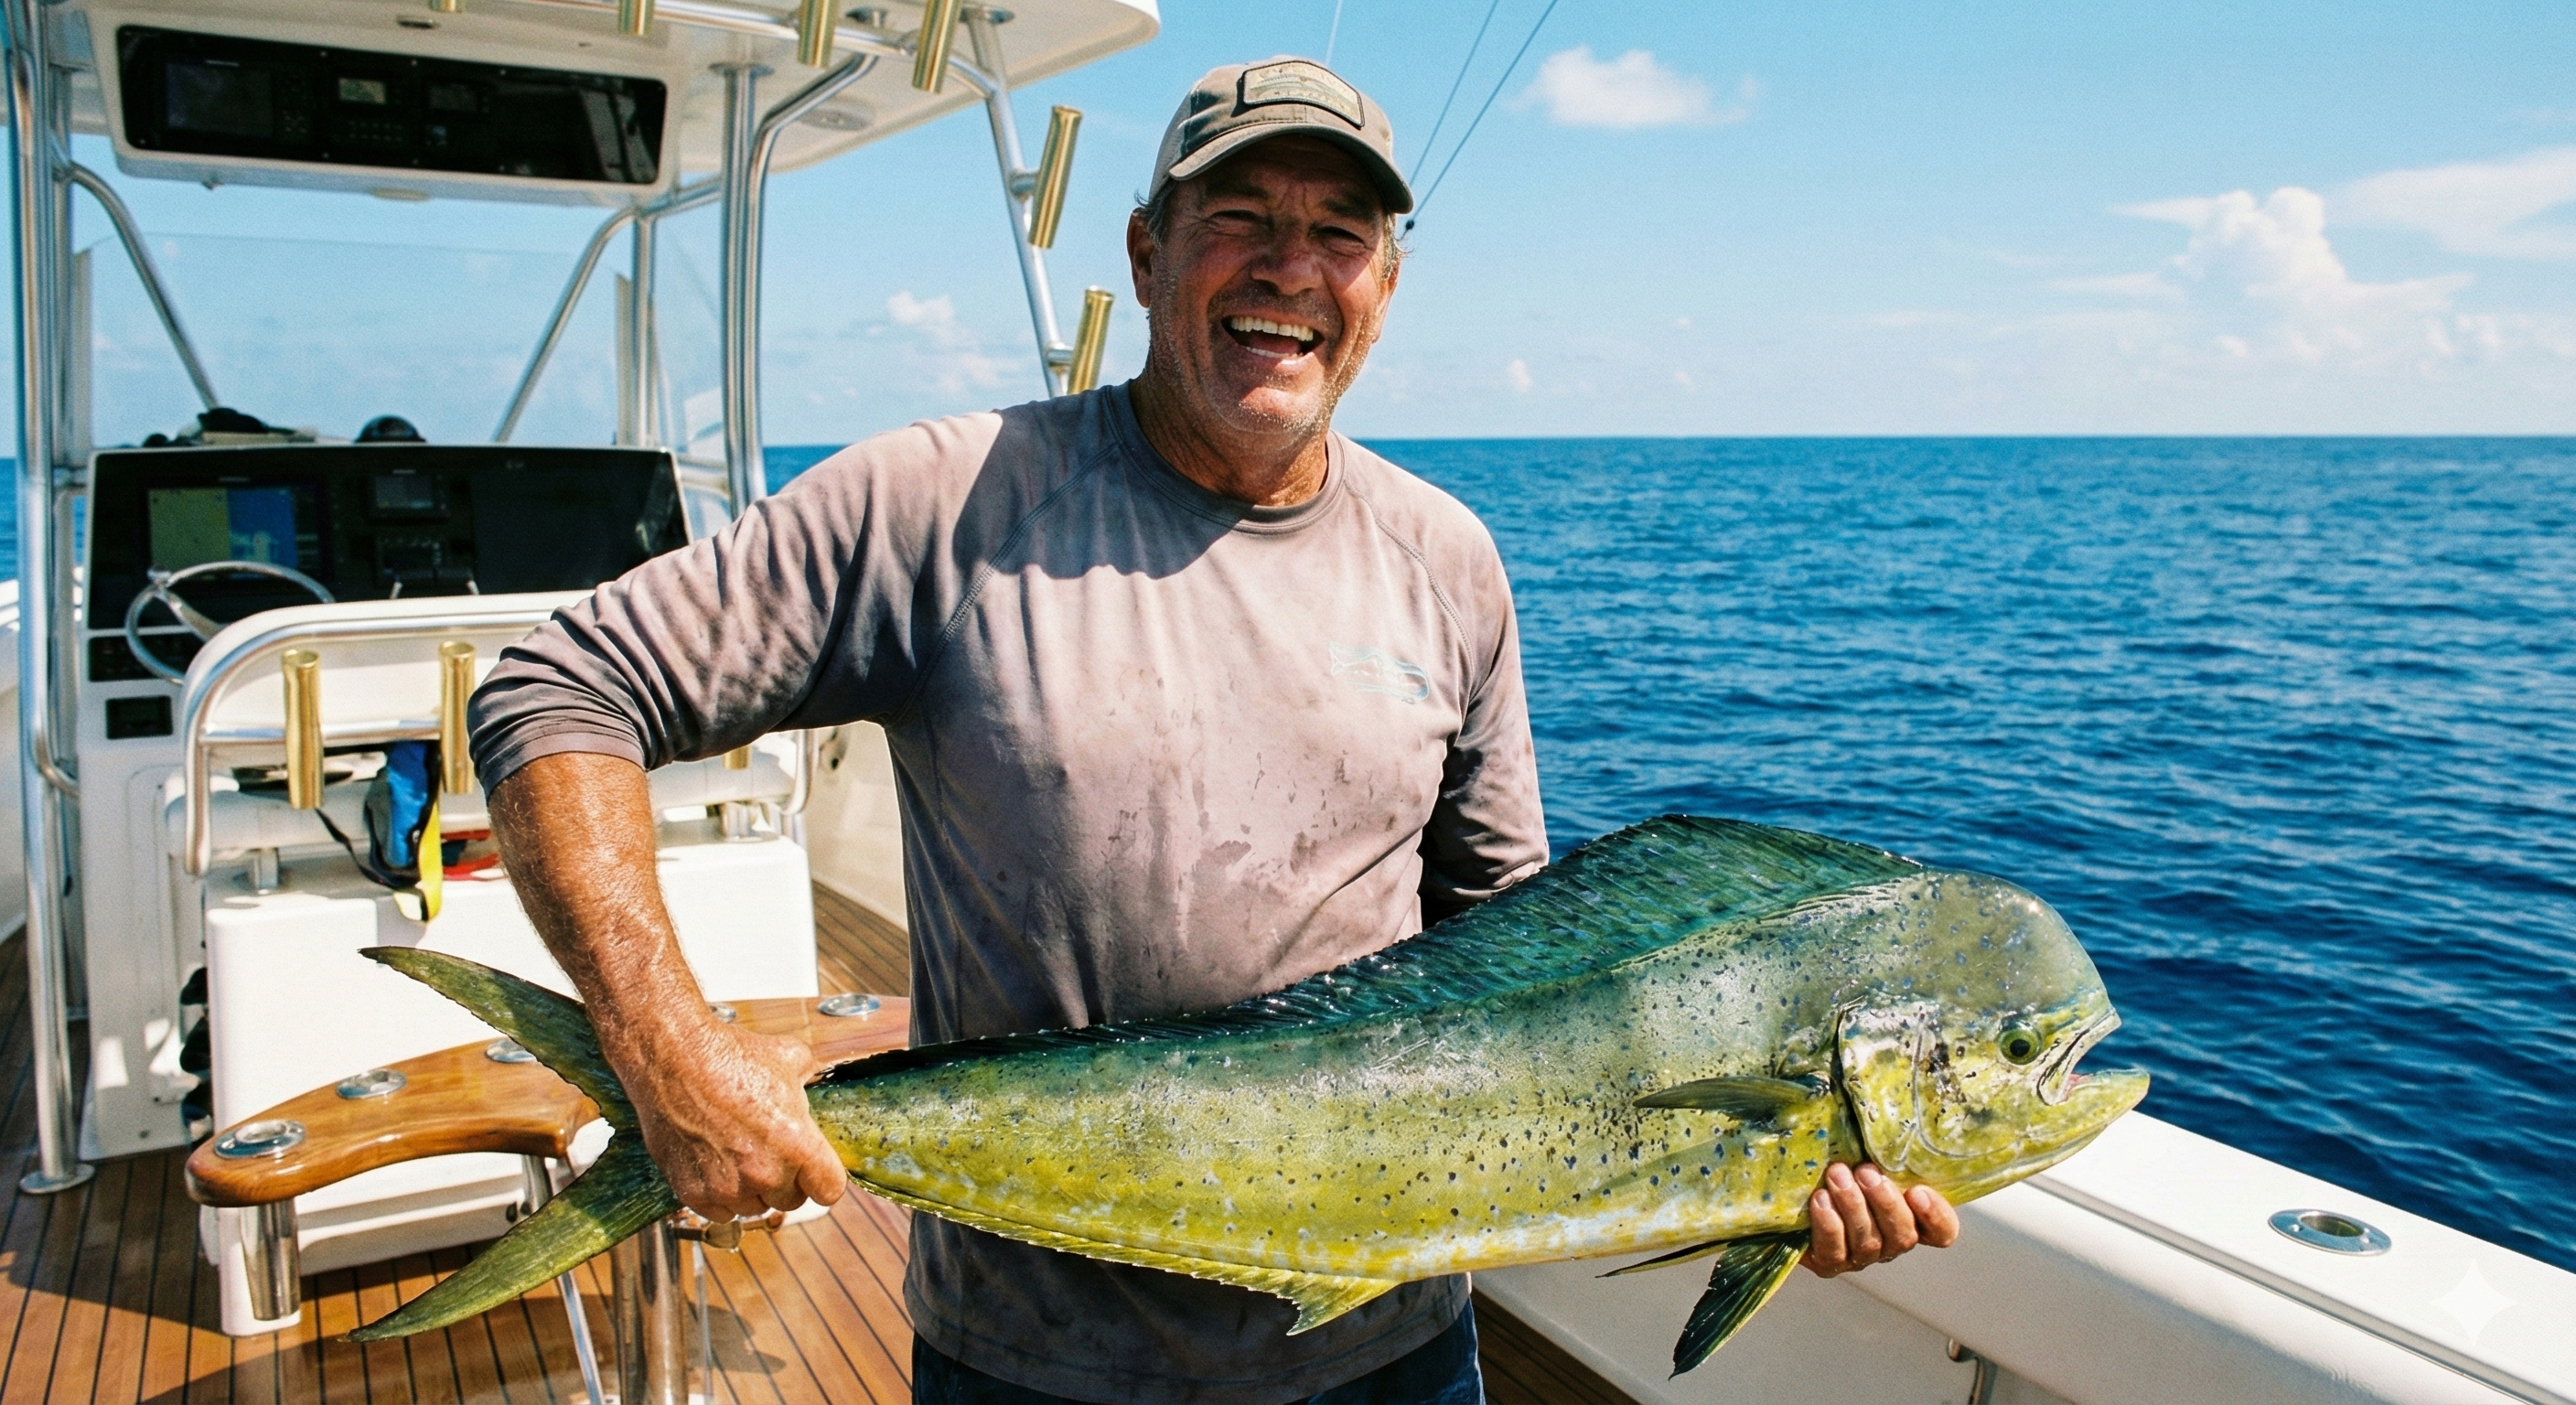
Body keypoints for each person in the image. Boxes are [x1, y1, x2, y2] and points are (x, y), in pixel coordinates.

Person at [468, 57, 1957, 1405]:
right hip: (1031, 1369)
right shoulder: (947, 500)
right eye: (1238, 217)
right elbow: (554, 692)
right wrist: (661, 1040)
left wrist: (1767, 1179)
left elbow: (1523, 953)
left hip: (1391, 1355)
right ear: (1146, 253)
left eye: (1339, 234)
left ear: (1384, 282)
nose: (1289, 269)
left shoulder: (1447, 559)